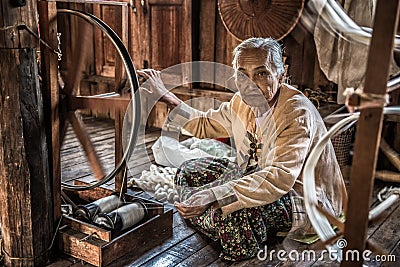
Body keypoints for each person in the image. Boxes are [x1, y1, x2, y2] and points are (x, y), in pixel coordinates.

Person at [137, 37, 347, 261]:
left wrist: (213, 195)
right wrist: (165, 94)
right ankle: (233, 227)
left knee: (230, 208)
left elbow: (279, 178)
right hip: (255, 177)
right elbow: (204, 124)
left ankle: (235, 234)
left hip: (302, 196)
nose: (250, 84)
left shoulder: (296, 112)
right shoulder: (240, 102)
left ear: (281, 74)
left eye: (261, 73)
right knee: (187, 173)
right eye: (241, 75)